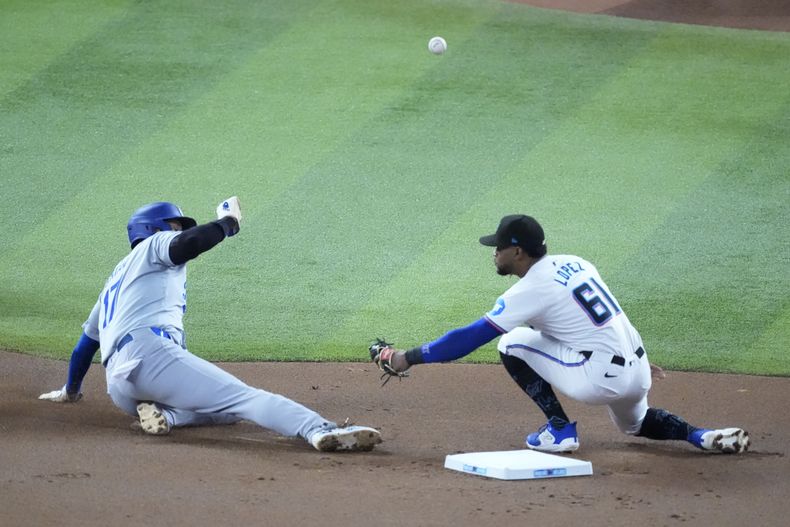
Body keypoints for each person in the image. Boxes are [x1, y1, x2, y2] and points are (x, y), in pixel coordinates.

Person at [376, 214, 749, 454]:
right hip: (637, 367)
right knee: (635, 424)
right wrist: (637, 363)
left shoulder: (528, 289)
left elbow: (467, 339)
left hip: (600, 377)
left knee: (510, 342)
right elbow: (598, 321)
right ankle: (699, 435)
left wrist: (406, 358)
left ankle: (559, 429)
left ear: (517, 252)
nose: (493, 253)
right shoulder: (576, 263)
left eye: (498, 248)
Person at [39, 198, 381, 452]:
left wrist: (70, 391)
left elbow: (85, 346)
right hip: (150, 356)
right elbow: (189, 244)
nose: (179, 231)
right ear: (151, 230)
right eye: (174, 226)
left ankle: (168, 416)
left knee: (224, 412)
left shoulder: (114, 283)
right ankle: (319, 429)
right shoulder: (153, 247)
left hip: (120, 388)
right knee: (243, 398)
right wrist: (227, 223)